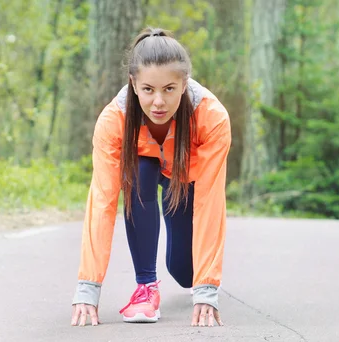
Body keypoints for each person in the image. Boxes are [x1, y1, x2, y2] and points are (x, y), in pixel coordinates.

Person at [70, 27, 231, 328]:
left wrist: (206, 289)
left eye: (169, 89)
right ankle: (146, 288)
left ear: (184, 84)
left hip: (185, 180)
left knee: (185, 272)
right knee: (139, 170)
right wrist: (87, 287)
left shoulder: (211, 116)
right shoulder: (113, 120)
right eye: (148, 89)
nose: (158, 102)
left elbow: (211, 202)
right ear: (133, 84)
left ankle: (188, 267)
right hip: (143, 172)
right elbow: (102, 203)